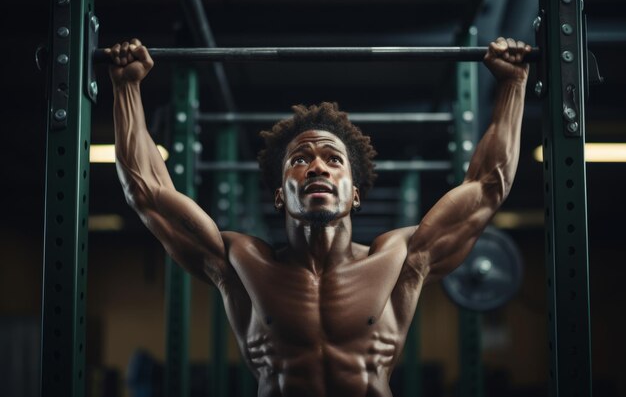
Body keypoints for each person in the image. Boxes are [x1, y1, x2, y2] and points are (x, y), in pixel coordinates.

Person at [105, 36, 530, 397]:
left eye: (333, 159)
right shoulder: (241, 263)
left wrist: (514, 84)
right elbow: (148, 194)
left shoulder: (400, 260)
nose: (317, 167)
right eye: (300, 159)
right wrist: (126, 87)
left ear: (355, 193)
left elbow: (487, 188)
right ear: (279, 194)